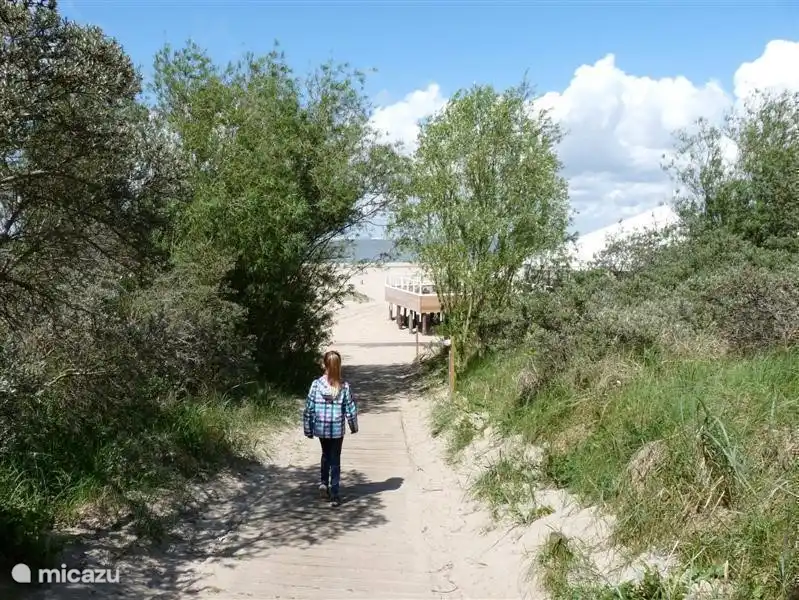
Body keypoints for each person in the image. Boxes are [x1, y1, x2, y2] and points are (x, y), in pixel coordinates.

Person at [303, 350, 358, 507]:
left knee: (325, 454)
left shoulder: (316, 385)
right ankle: (334, 494)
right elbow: (350, 409)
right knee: (335, 458)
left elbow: (309, 408)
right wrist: (353, 426)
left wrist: (308, 428)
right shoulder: (344, 386)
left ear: (323, 365)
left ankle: (323, 483)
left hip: (321, 427)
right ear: (339, 366)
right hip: (336, 429)